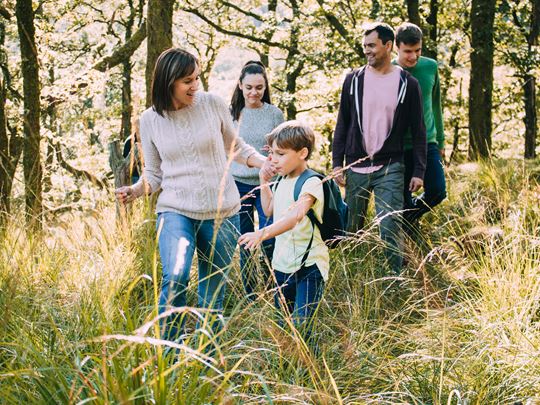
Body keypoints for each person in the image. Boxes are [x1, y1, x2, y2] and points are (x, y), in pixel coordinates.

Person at [115, 48, 269, 343]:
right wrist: (134, 191)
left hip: (222, 211)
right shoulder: (149, 120)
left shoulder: (212, 104)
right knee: (176, 276)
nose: (195, 86)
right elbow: (154, 175)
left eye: (197, 78)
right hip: (175, 210)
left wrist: (265, 163)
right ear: (168, 81)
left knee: (213, 293)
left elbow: (236, 147)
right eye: (188, 80)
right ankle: (168, 352)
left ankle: (206, 357)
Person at [332, 22, 427, 274]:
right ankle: (352, 278)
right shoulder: (353, 80)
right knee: (352, 229)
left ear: (387, 45)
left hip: (391, 167)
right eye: (365, 47)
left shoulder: (407, 84)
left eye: (372, 46)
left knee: (390, 226)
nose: (367, 51)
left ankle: (393, 281)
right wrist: (336, 164)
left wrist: (419, 170)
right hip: (355, 166)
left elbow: (419, 131)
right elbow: (343, 123)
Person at [238, 121, 329, 346]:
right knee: (283, 328)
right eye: (272, 154)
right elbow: (268, 210)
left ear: (302, 153)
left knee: (301, 327)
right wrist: (264, 181)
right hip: (282, 267)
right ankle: (287, 371)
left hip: (309, 267)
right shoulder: (281, 181)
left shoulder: (312, 182)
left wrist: (261, 234)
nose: (274, 160)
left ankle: (313, 375)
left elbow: (294, 217)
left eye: (281, 153)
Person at [230, 60, 285, 299]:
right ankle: (251, 294)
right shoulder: (230, 114)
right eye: (249, 87)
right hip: (237, 184)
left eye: (259, 87)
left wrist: (272, 159)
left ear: (265, 87)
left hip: (267, 184)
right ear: (240, 86)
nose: (254, 92)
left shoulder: (274, 114)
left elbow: (283, 147)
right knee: (244, 242)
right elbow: (227, 149)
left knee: (268, 238)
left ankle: (273, 287)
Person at [394, 23, 447, 229]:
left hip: (427, 143)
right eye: (408, 51)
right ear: (396, 47)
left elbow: (435, 104)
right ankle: (406, 237)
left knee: (437, 190)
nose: (413, 57)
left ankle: (407, 220)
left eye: (418, 51)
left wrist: (440, 140)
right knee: (403, 197)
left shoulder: (430, 66)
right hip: (398, 146)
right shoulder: (387, 70)